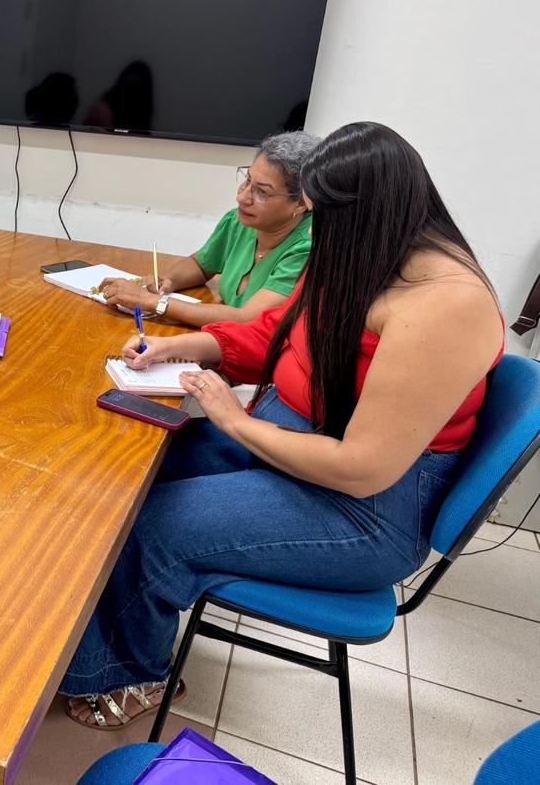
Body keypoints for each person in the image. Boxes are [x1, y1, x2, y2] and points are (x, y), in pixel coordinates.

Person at [62, 122, 503, 729]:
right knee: (126, 467)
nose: (314, 228)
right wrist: (188, 345)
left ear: (365, 212)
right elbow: (282, 336)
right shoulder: (369, 253)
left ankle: (126, 674)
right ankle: (84, 627)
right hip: (293, 444)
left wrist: (233, 422)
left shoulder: (446, 304)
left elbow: (362, 469)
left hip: (365, 510)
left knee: (151, 523)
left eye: (321, 214)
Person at [97, 131, 320, 326]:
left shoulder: (309, 247)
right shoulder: (239, 221)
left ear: (301, 202)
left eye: (262, 192)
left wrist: (151, 301)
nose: (242, 197)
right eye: (247, 180)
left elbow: (246, 319)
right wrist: (168, 281)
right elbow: (201, 264)